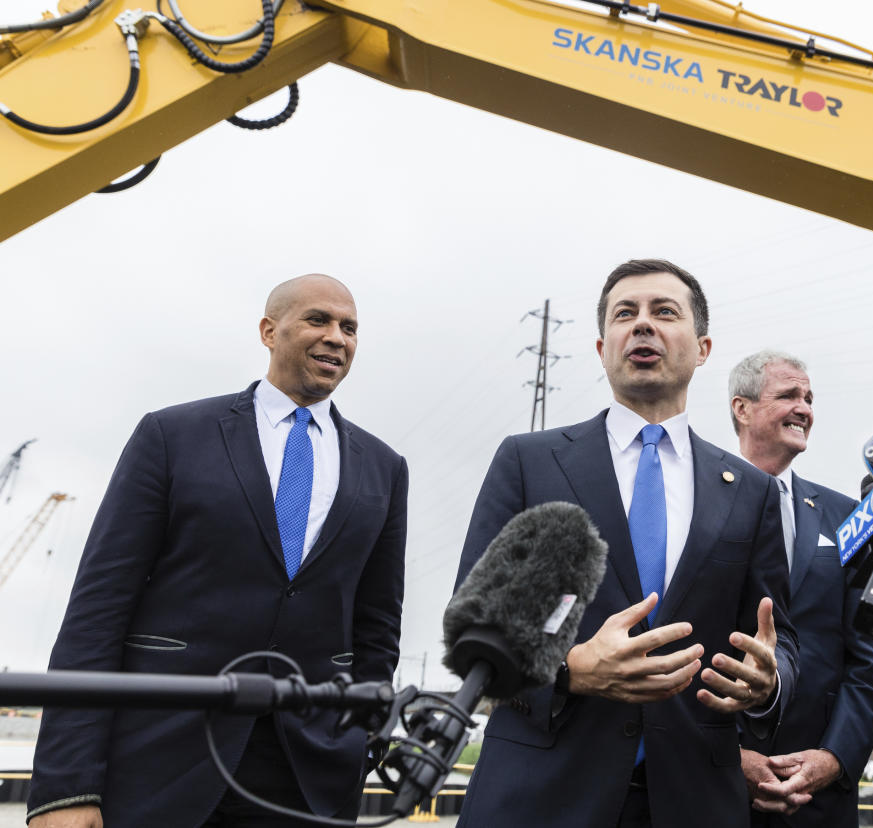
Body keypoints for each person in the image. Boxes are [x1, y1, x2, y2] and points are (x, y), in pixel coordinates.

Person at [27, 274, 408, 827]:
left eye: (349, 328)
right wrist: (66, 787)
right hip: (161, 764)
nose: (337, 338)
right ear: (268, 330)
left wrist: (359, 740)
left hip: (306, 780)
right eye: (318, 320)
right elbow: (98, 610)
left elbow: (378, 628)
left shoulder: (384, 468)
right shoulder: (171, 436)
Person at [454, 259, 797, 828]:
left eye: (665, 312)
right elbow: (473, 627)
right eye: (625, 314)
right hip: (540, 795)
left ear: (704, 347)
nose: (643, 326)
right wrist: (568, 669)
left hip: (694, 799)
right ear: (601, 346)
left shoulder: (751, 493)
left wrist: (769, 680)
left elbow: (780, 637)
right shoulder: (528, 462)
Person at [729, 351, 873, 826]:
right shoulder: (698, 504)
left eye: (809, 398)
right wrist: (725, 754)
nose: (804, 409)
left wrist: (835, 758)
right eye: (788, 395)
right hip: (715, 783)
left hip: (818, 797)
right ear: (742, 408)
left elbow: (868, 657)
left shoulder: (849, 517)